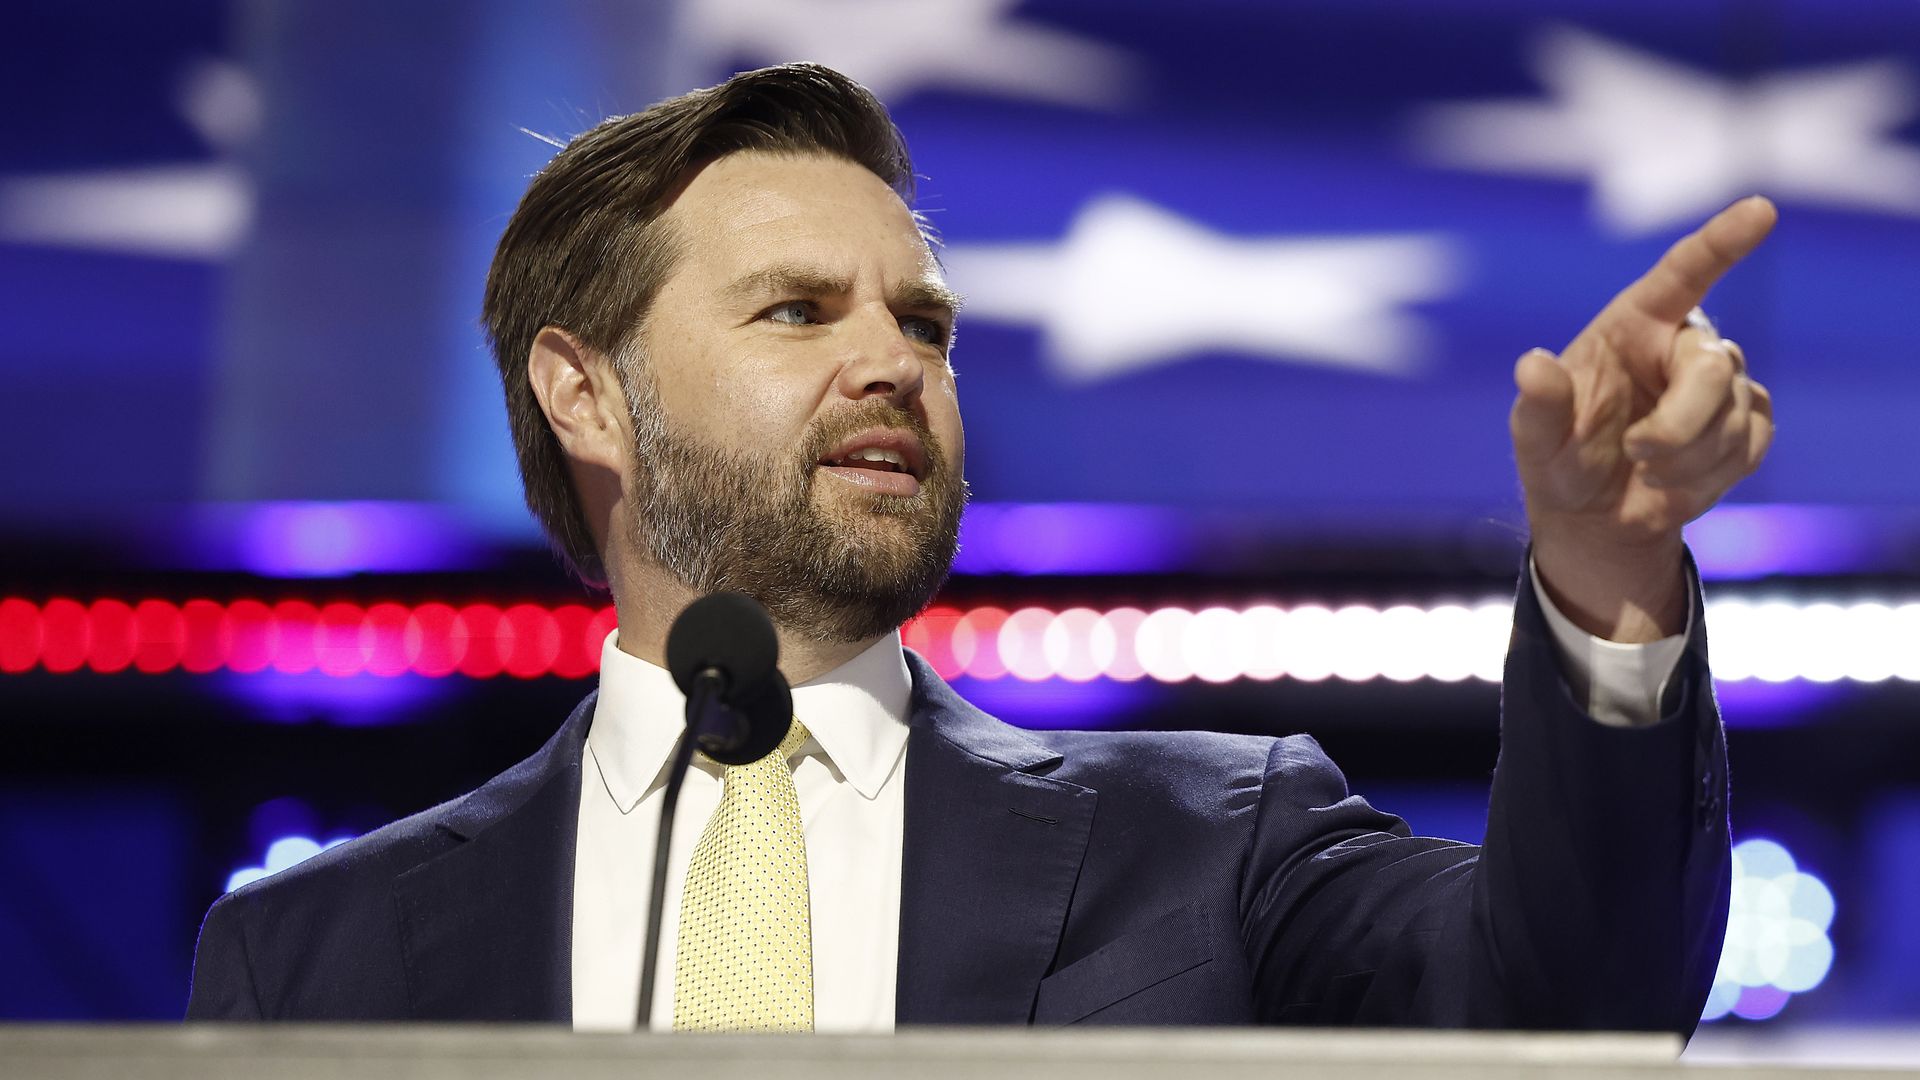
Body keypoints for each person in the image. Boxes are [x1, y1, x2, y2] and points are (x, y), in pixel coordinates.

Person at [186, 63, 1773, 1032]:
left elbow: (1579, 1003)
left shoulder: (1215, 849)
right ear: (584, 393)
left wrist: (1602, 571)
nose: (893, 360)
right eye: (799, 310)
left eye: (922, 320)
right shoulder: (311, 957)